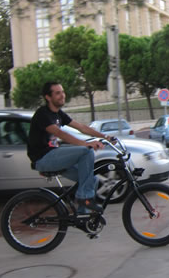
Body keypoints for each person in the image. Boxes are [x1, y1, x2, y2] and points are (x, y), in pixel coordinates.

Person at [27, 82, 111, 215]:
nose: (62, 95)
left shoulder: (58, 114)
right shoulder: (42, 114)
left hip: (54, 156)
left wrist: (105, 136)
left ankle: (83, 215)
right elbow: (61, 134)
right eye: (58, 93)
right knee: (86, 152)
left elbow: (81, 127)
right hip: (43, 158)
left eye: (63, 92)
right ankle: (84, 198)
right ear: (48, 97)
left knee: (92, 180)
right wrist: (85, 144)